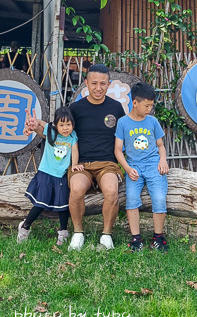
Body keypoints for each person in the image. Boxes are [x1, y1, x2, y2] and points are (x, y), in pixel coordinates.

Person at [24, 63, 124, 251]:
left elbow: (126, 135)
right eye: (94, 83)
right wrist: (36, 126)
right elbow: (59, 131)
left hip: (107, 164)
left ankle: (106, 235)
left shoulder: (116, 108)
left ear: (109, 84)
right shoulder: (76, 108)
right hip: (81, 164)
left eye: (103, 83)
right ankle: (78, 233)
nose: (98, 88)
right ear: (86, 83)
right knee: (76, 189)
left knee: (111, 191)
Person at [114, 81, 170, 251]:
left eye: (151, 106)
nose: (149, 109)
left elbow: (160, 145)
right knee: (131, 199)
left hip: (154, 165)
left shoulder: (152, 122)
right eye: (146, 105)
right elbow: (117, 151)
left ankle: (158, 238)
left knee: (159, 198)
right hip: (134, 167)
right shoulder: (123, 123)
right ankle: (136, 238)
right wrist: (128, 169)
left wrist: (163, 160)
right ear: (135, 103)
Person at [17, 106, 78, 246]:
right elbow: (41, 126)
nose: (65, 128)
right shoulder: (52, 133)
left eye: (68, 124)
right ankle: (25, 226)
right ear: (55, 125)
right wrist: (35, 122)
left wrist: (74, 165)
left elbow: (75, 150)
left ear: (73, 125)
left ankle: (63, 232)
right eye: (61, 125)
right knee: (40, 202)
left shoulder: (73, 136)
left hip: (62, 175)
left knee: (63, 205)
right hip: (46, 172)